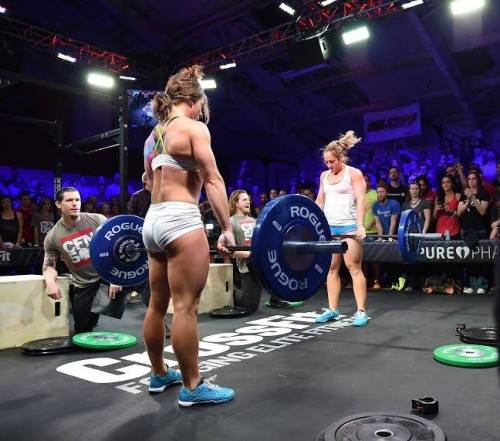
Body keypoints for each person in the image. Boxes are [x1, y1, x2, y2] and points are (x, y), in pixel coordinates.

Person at [142, 65, 235, 407]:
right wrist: (226, 229)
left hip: (151, 221)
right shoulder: (194, 128)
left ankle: (159, 373)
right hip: (180, 220)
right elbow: (213, 180)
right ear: (195, 101)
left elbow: (149, 182)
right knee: (185, 307)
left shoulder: (154, 135)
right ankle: (193, 387)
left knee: (156, 304)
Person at [42, 187, 122, 334]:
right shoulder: (53, 236)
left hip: (106, 275)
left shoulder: (98, 219)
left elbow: (117, 248)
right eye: (69, 200)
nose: (75, 203)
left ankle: (161, 322)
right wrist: (50, 282)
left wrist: (115, 277)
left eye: (77, 200)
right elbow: (49, 266)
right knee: (82, 330)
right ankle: (93, 315)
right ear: (59, 204)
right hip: (84, 284)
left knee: (142, 277)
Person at [314, 131, 368, 327]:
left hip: (349, 227)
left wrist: (360, 225)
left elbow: (361, 200)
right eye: (327, 162)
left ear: (340, 158)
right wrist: (314, 223)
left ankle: (361, 311)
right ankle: (333, 309)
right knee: (331, 269)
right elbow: (320, 201)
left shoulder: (353, 174)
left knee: (354, 268)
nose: (329, 166)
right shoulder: (324, 176)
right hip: (330, 229)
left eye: (332, 162)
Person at [229, 190, 301, 311]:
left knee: (276, 259)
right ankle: (230, 292)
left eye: (248, 199)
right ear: (236, 203)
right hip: (248, 266)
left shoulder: (255, 220)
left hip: (263, 263)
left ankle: (275, 298)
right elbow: (231, 250)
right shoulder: (231, 221)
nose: (248, 202)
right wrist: (250, 254)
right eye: (244, 200)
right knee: (250, 307)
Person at [457, 171, 490, 294]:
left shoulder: (483, 194)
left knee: (481, 258)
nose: (471, 181)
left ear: (478, 180)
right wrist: (467, 200)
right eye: (469, 179)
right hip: (466, 230)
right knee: (470, 258)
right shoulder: (464, 194)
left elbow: (482, 211)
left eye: (473, 179)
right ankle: (471, 284)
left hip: (480, 230)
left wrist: (474, 197)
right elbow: (459, 212)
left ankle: (482, 284)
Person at [372, 183, 401, 289]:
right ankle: (383, 281)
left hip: (394, 235)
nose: (380, 194)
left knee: (394, 259)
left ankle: (396, 281)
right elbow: (378, 223)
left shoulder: (394, 204)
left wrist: (390, 237)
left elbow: (394, 222)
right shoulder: (375, 205)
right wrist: (380, 237)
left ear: (387, 193)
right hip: (383, 235)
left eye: (382, 192)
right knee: (381, 259)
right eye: (378, 192)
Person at [433, 175, 461, 240]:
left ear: (452, 184)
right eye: (443, 182)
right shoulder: (438, 198)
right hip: (440, 230)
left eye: (448, 182)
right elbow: (434, 218)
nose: (445, 184)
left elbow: (461, 214)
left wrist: (451, 210)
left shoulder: (458, 196)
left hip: (454, 230)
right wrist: (435, 210)